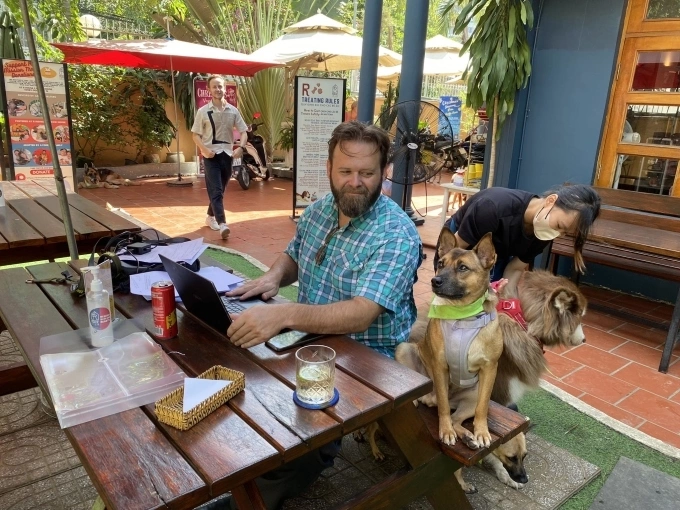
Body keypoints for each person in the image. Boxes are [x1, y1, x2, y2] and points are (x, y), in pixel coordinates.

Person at [207, 121, 422, 510]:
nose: (355, 182)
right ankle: (228, 463)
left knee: (298, 436)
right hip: (309, 342)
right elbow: (294, 254)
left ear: (384, 172)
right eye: (345, 171)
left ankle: (251, 496)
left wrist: (286, 315)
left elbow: (361, 315)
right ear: (328, 169)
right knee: (239, 375)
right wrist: (271, 278)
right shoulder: (321, 209)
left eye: (367, 173)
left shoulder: (397, 234)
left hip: (368, 363)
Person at [435, 184, 601, 294]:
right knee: (451, 291)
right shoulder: (492, 207)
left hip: (495, 252)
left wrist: (511, 307)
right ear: (551, 201)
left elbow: (514, 269)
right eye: (559, 225)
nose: (557, 234)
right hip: (460, 242)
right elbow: (452, 255)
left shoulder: (544, 231)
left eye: (565, 233)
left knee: (489, 300)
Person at [192, 75, 248, 240]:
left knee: (220, 190)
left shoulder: (233, 111)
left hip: (227, 156)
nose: (218, 89)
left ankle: (210, 216)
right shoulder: (203, 112)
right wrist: (204, 150)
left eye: (220, 86)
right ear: (209, 89)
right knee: (216, 190)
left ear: (225, 89)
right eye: (214, 86)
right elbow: (195, 135)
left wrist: (241, 147)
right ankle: (222, 223)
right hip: (210, 156)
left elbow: (244, 131)